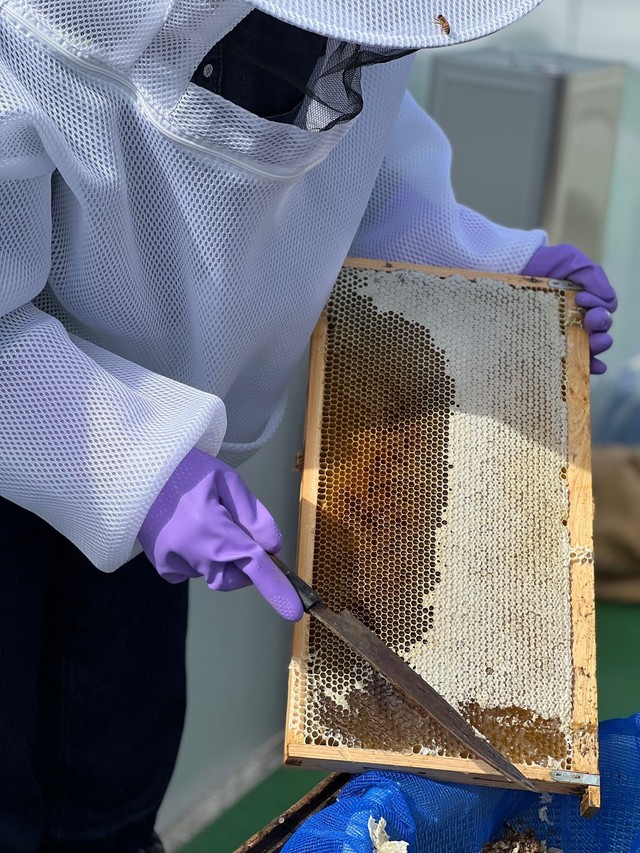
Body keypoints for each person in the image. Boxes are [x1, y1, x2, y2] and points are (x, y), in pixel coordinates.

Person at [0, 1, 617, 850]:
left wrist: (489, 265)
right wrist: (123, 460)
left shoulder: (349, 29)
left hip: (166, 474)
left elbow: (354, 159)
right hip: (56, 436)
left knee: (109, 800)